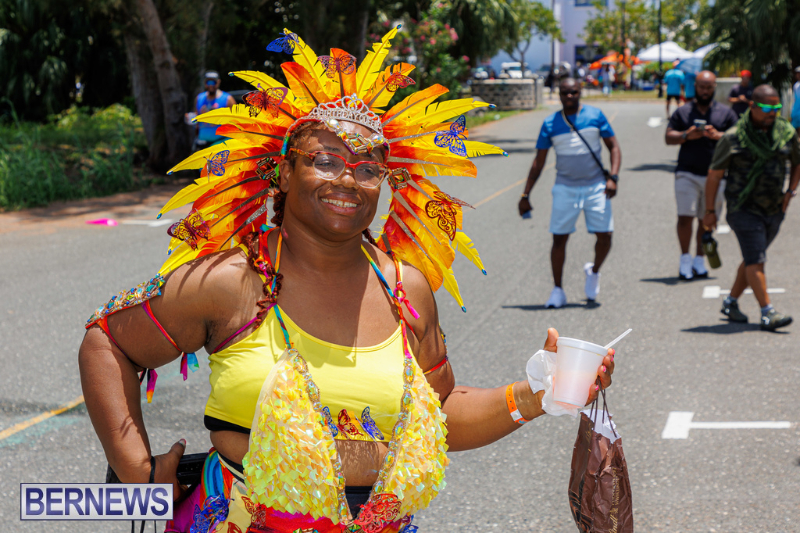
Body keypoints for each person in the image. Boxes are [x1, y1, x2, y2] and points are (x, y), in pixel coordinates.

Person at [78, 30, 616, 533]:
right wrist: (135, 471)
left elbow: (440, 414)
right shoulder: (233, 280)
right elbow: (107, 340)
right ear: (284, 173)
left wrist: (542, 389)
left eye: (368, 167)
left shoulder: (407, 289)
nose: (348, 181)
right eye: (326, 160)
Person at [703, 84, 800, 331]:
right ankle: (768, 313)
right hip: (742, 208)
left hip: (774, 208)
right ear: (752, 106)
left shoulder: (785, 133)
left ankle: (730, 302)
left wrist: (790, 192)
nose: (773, 113)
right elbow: (714, 175)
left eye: (777, 107)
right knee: (756, 259)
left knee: (751, 258)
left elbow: (797, 162)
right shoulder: (734, 136)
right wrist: (710, 211)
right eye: (767, 108)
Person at [518, 78, 621, 308]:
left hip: (596, 186)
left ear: (580, 91)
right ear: (559, 94)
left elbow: (613, 146)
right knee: (559, 239)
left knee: (605, 236)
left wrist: (613, 178)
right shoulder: (550, 123)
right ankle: (558, 290)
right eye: (565, 93)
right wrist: (526, 195)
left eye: (574, 92)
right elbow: (539, 161)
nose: (570, 97)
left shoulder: (596, 116)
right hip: (565, 187)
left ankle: (593, 272)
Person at [665, 71, 739, 280]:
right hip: (687, 172)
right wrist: (687, 135)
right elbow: (669, 137)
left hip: (715, 175)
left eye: (709, 87)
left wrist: (719, 136)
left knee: (706, 219)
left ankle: (699, 258)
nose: (705, 91)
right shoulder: (684, 111)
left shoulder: (725, 113)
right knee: (685, 216)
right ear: (695, 87)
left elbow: (737, 138)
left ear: (714, 87)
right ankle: (685, 258)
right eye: (701, 87)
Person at [195, 70, 236, 150]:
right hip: (202, 145)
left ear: (218, 82)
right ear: (204, 83)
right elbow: (196, 119)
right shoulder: (199, 98)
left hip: (221, 145)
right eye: (208, 82)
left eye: (213, 82)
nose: (211, 85)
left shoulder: (227, 99)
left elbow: (237, 121)